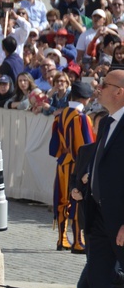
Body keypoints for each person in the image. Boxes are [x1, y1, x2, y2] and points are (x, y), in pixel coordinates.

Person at [76, 70, 124, 288]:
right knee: (97, 281)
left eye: (104, 85)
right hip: (100, 220)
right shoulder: (107, 123)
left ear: (119, 91)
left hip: (120, 221)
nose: (98, 89)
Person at [49, 81, 95, 253]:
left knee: (62, 201)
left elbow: (53, 147)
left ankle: (62, 239)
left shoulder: (59, 116)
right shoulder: (82, 118)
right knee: (76, 199)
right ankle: (77, 241)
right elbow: (88, 147)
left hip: (62, 163)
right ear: (86, 99)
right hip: (77, 165)